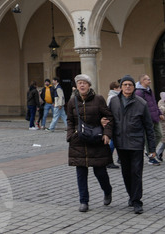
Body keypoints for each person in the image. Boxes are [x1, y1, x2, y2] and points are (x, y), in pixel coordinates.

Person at [107, 75, 156, 214]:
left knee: (136, 173)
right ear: (121, 87)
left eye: (130, 85)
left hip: (136, 143)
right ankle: (131, 195)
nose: (127, 87)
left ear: (134, 87)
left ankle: (136, 201)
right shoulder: (114, 102)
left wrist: (151, 148)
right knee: (126, 173)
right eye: (125, 84)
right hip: (121, 143)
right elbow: (110, 121)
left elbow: (149, 127)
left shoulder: (141, 103)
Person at [66, 73, 113, 213]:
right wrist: (70, 135)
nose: (82, 85)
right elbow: (69, 120)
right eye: (79, 83)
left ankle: (107, 190)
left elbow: (109, 117)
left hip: (96, 139)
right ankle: (84, 201)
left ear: (89, 85)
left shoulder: (98, 99)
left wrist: (107, 133)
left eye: (84, 83)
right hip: (78, 141)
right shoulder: (72, 101)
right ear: (76, 86)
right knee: (81, 173)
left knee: (100, 172)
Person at [135, 75, 162, 166]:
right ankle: (151, 156)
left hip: (154, 117)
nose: (150, 81)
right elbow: (140, 106)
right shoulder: (139, 92)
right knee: (149, 137)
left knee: (158, 135)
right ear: (143, 81)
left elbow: (154, 103)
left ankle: (149, 152)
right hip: (147, 118)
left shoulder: (149, 90)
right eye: (148, 79)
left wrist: (159, 112)